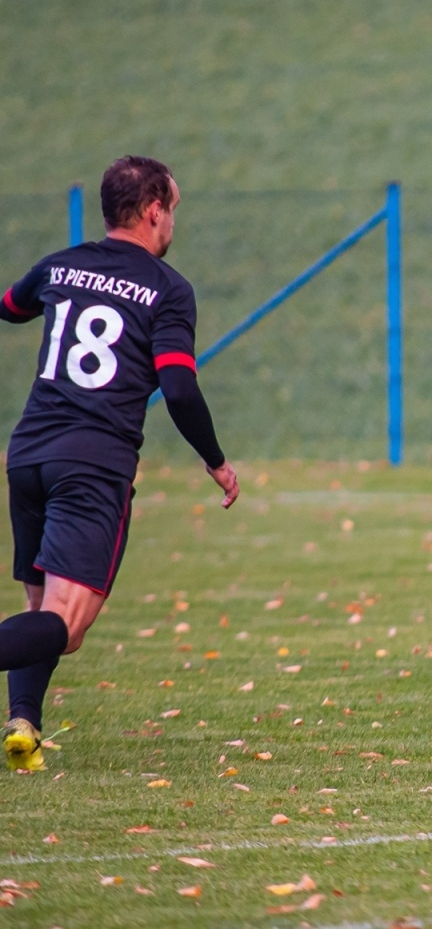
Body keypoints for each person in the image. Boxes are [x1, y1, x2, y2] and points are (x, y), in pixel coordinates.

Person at [1, 156, 239, 772]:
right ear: (154, 211)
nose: (173, 224)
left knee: (40, 612)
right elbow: (179, 389)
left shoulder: (60, 265)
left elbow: (9, 306)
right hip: (92, 465)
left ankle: (24, 725)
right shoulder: (167, 288)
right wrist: (214, 460)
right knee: (66, 627)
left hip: (27, 457)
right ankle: (24, 720)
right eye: (174, 211)